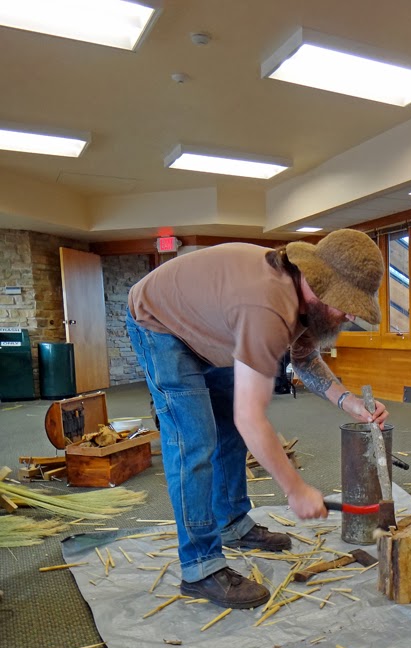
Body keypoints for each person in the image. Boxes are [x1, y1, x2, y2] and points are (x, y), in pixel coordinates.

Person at [126, 229, 388, 609]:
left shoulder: (306, 302)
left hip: (209, 328)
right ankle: (200, 566)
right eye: (345, 303)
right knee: (195, 442)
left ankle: (231, 522)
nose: (350, 314)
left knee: (228, 432)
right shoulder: (267, 308)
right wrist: (296, 489)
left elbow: (305, 359)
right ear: (316, 283)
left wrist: (349, 402)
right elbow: (252, 417)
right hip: (160, 323)